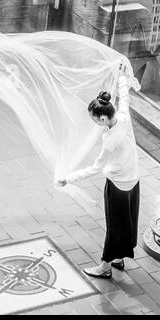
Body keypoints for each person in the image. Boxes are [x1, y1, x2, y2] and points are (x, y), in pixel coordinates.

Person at [57, 63, 141, 279]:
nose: (94, 123)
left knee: (114, 226)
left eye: (94, 119)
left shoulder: (110, 141)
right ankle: (119, 258)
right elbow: (125, 97)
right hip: (133, 179)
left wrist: (69, 178)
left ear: (103, 118)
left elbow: (96, 168)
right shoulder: (123, 117)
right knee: (127, 221)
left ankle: (105, 267)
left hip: (118, 185)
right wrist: (122, 77)